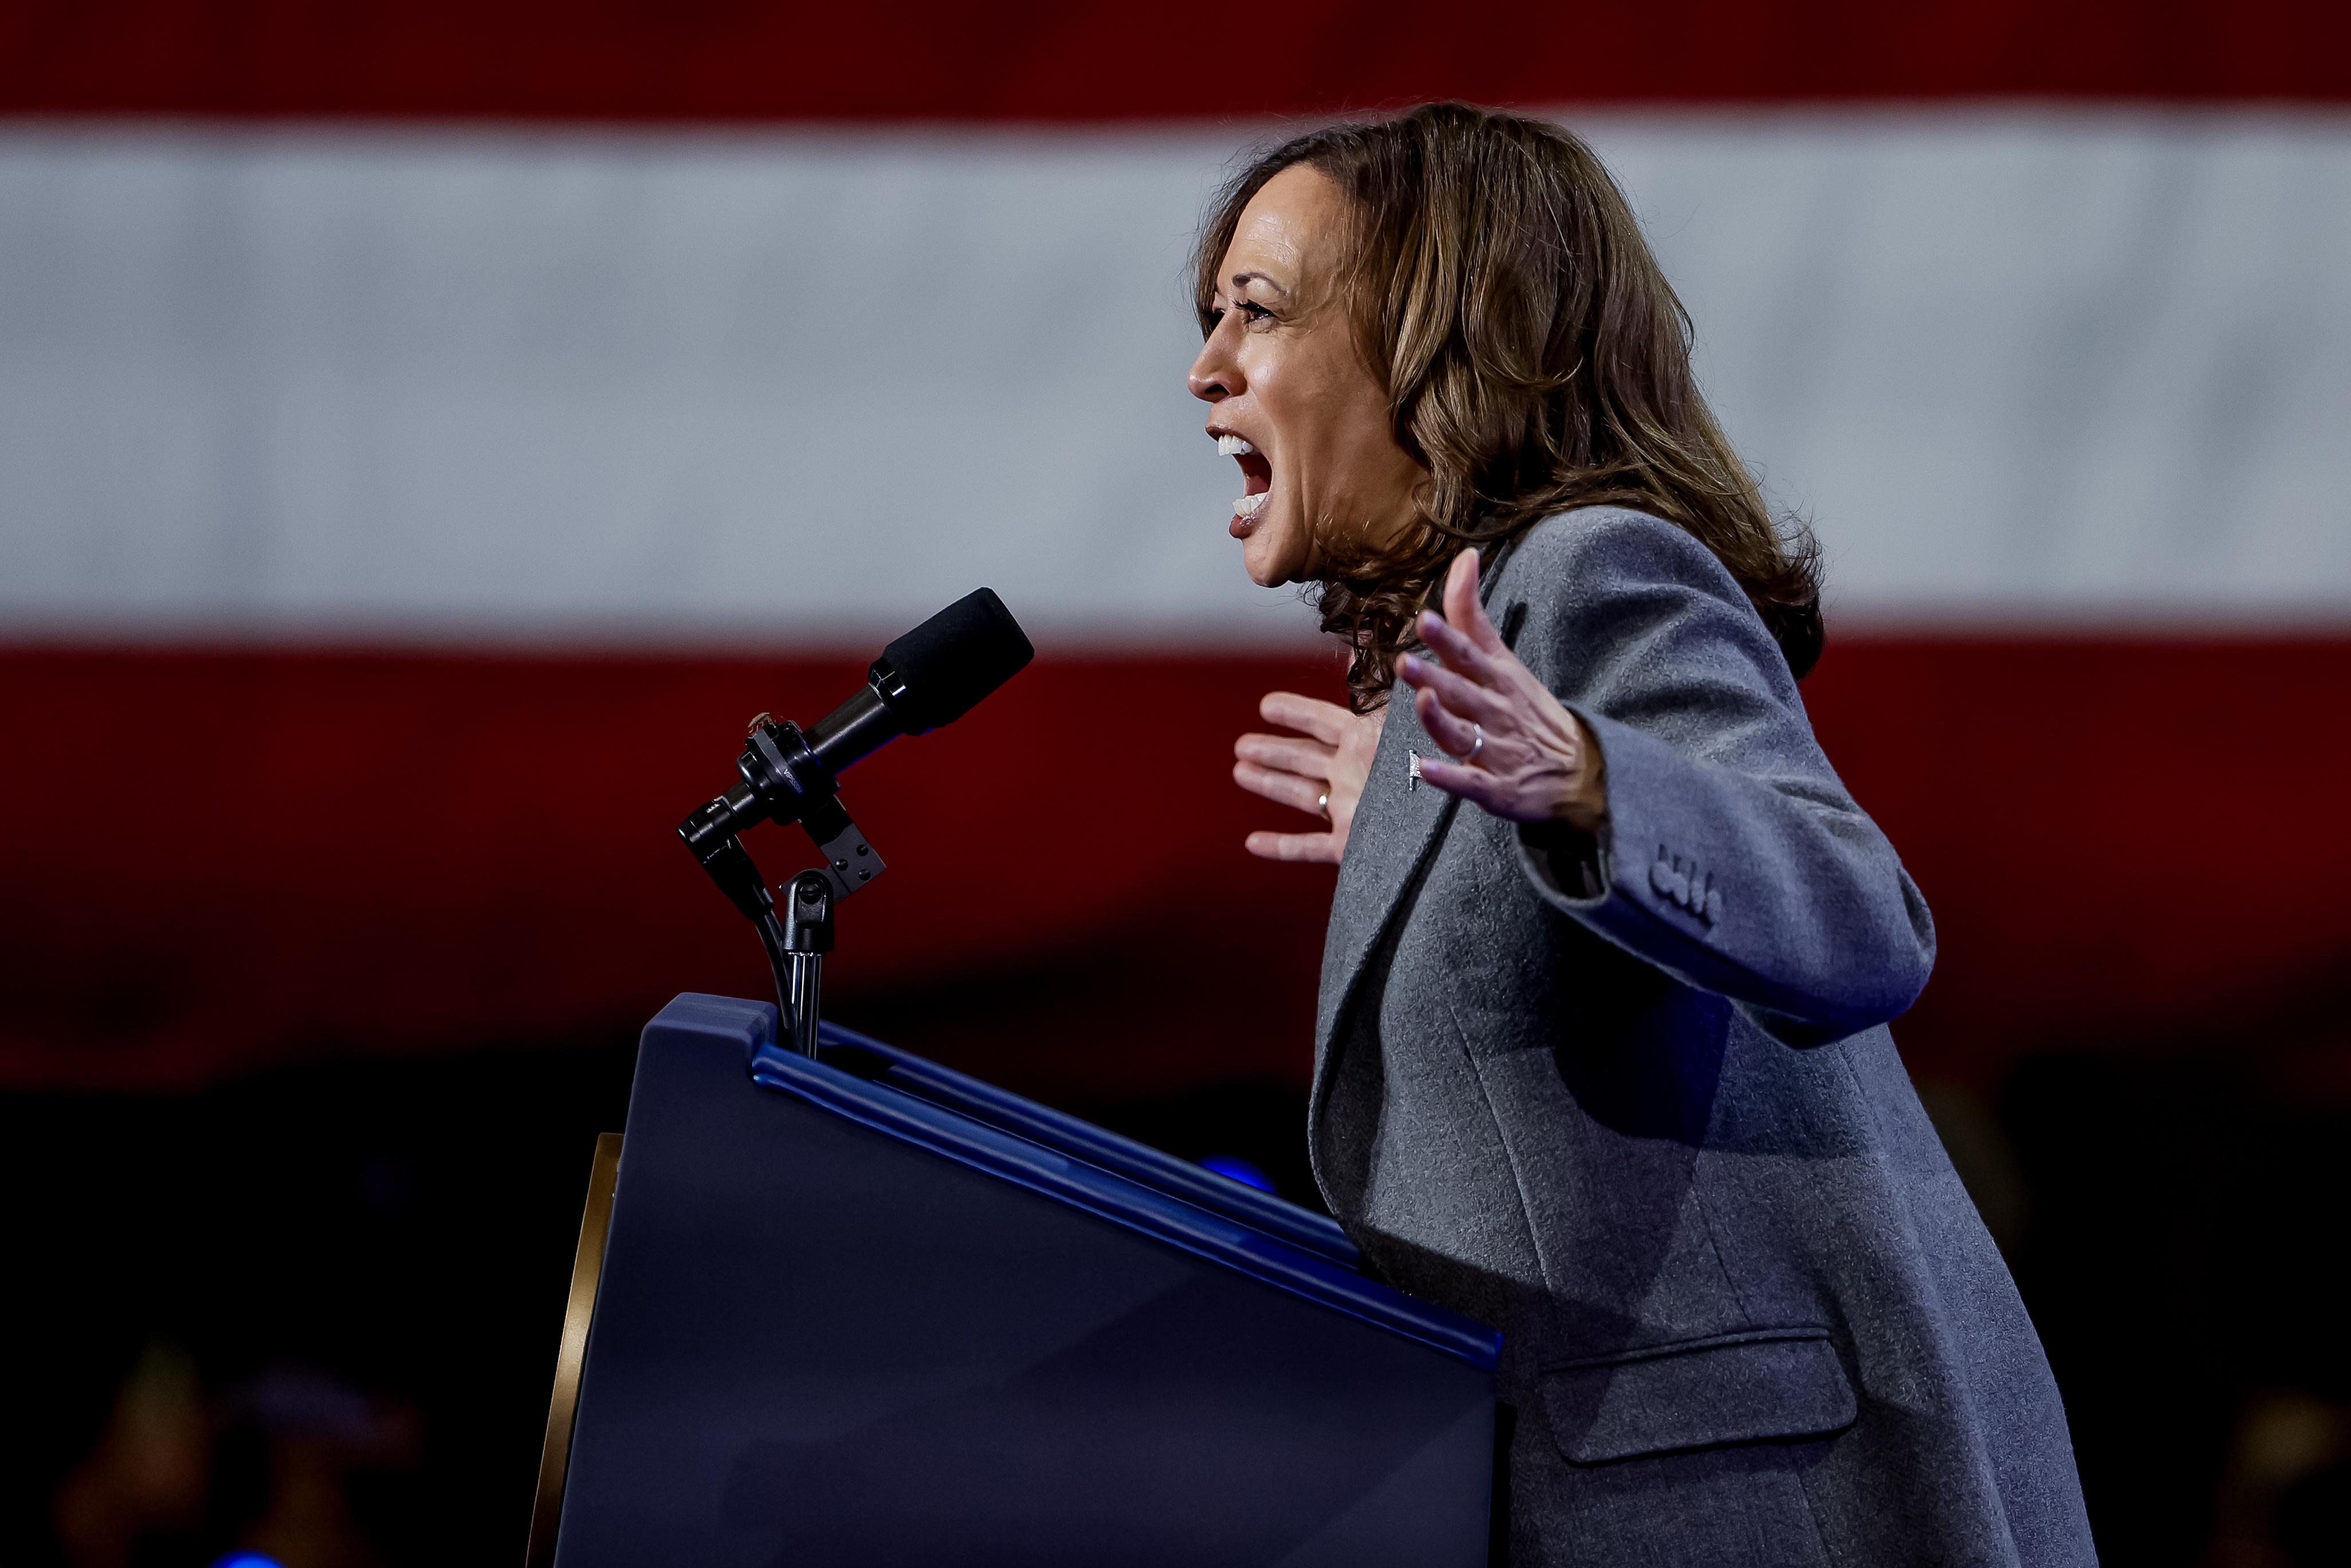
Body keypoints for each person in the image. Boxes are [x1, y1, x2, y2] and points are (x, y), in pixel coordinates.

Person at [1189, 104, 2096, 1566]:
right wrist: (1442, 828)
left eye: (1260, 312)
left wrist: (1596, 781)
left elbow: (1863, 921)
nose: (1207, 366)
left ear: (1436, 344)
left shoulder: (1590, 569)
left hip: (1765, 1509)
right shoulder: (1475, 674)